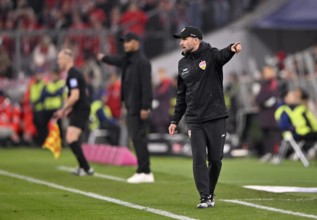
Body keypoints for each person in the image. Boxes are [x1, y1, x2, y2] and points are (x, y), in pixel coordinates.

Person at [168, 26, 241, 208]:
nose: (181, 42)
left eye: (184, 39)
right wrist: (175, 120)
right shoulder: (182, 64)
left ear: (195, 39)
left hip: (215, 116)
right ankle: (204, 196)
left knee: (215, 160)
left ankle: (209, 192)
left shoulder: (212, 55)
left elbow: (223, 55)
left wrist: (232, 48)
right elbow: (181, 94)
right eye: (180, 39)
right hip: (194, 119)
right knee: (198, 158)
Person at [97, 32, 154, 184]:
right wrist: (103, 58)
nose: (125, 44)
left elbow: (147, 86)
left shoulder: (142, 62)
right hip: (131, 106)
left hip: (139, 107)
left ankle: (145, 171)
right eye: (124, 42)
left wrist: (145, 106)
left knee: (138, 137)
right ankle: (144, 170)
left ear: (136, 43)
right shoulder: (129, 60)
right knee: (135, 138)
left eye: (128, 41)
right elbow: (116, 60)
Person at [55, 48, 94, 176]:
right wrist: (69, 109)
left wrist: (63, 109)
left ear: (67, 60)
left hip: (81, 109)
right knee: (72, 137)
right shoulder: (73, 74)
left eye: (60, 59)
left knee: (71, 138)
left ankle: (86, 168)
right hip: (79, 108)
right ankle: (84, 167)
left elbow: (75, 95)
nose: (58, 62)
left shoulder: (73, 74)